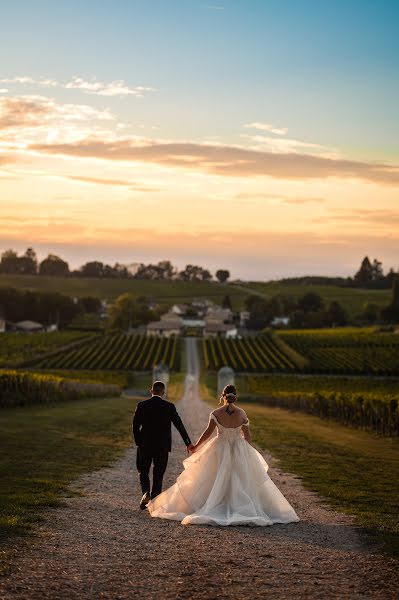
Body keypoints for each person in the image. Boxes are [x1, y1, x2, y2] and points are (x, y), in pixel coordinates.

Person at [147, 384, 299, 526]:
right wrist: (244, 450)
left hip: (220, 447)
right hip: (238, 448)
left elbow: (208, 432)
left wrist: (195, 446)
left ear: (223, 396)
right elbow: (248, 438)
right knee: (239, 478)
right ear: (235, 397)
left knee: (214, 476)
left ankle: (215, 503)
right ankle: (239, 505)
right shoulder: (242, 413)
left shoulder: (216, 413)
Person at [133, 380, 194, 510]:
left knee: (143, 471)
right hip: (162, 447)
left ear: (151, 391)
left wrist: (139, 442)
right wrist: (188, 443)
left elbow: (135, 426)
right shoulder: (169, 407)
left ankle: (145, 493)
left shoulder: (142, 405)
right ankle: (154, 503)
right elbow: (179, 425)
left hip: (145, 445)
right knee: (158, 474)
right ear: (163, 393)